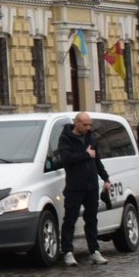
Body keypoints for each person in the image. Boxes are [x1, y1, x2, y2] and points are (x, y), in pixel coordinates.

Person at [55, 112, 109, 266]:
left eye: (89, 124)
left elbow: (96, 160)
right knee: (70, 219)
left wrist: (106, 178)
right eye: (85, 124)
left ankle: (94, 251)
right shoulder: (66, 138)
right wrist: (86, 154)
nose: (88, 127)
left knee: (91, 219)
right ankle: (68, 252)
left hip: (91, 186)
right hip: (74, 186)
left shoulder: (91, 137)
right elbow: (67, 159)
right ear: (76, 123)